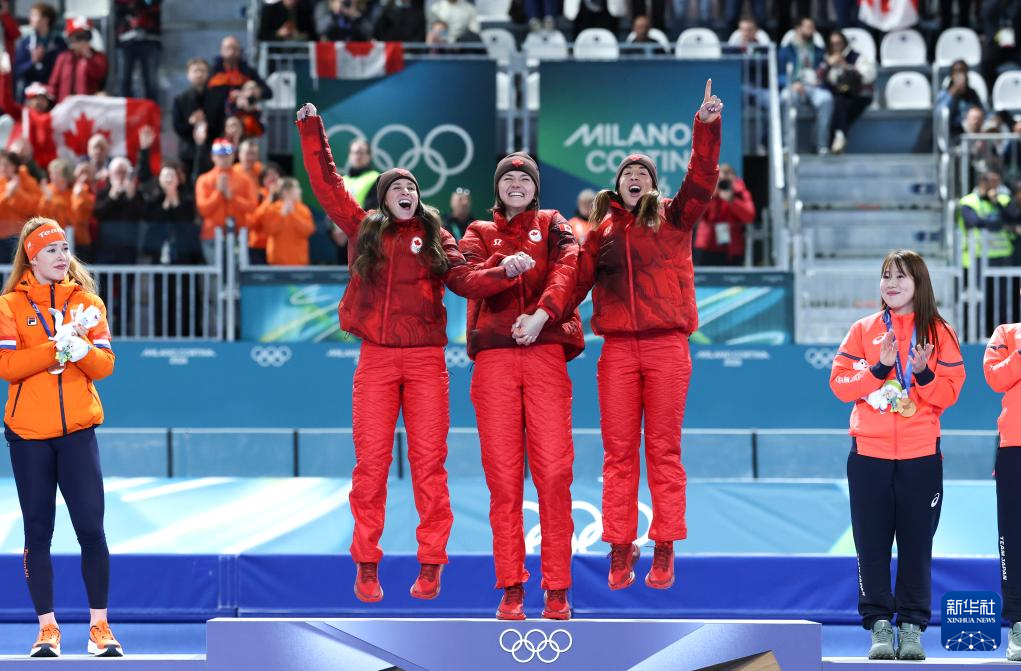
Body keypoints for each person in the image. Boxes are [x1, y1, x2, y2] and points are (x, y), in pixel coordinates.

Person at [298, 101, 520, 603]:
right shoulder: (364, 229)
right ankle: (367, 564)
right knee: (370, 467)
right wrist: (312, 130)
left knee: (429, 465)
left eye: (412, 188)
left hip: (425, 363)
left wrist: (502, 272)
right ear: (383, 199)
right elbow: (327, 184)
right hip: (376, 359)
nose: (406, 193)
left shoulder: (438, 236)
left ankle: (432, 563)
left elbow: (465, 281)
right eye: (397, 188)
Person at [571, 80, 722, 592]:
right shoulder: (601, 234)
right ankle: (619, 545)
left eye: (643, 173)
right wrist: (541, 315)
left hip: (667, 348)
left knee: (663, 451)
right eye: (626, 173)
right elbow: (573, 284)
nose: (634, 177)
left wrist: (706, 127)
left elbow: (702, 177)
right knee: (617, 454)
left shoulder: (676, 217)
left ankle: (664, 544)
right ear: (617, 187)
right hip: (616, 351)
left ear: (653, 186)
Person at [459, 153, 583, 621]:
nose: (516, 183)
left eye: (524, 178)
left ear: (535, 188)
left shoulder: (553, 223)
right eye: (508, 177)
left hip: (545, 352)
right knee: (504, 481)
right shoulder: (476, 232)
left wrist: (541, 315)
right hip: (494, 360)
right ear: (497, 187)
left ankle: (557, 589)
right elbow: (467, 279)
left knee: (554, 474)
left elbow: (568, 268)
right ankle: (511, 587)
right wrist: (502, 268)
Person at [829, 250, 965, 661]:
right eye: (886, 276)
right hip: (868, 454)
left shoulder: (939, 332)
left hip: (921, 455)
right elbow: (839, 385)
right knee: (870, 545)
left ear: (919, 283)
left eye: (901, 277)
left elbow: (949, 394)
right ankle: (879, 626)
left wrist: (923, 373)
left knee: (916, 545)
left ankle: (911, 628)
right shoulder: (864, 330)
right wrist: (878, 369)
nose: (891, 283)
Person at [0, 217, 121, 658]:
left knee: (91, 529)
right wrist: (55, 347)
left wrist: (81, 348)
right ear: (32, 257)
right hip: (29, 436)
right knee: (38, 533)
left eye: (65, 248)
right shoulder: (9, 306)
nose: (61, 256)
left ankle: (100, 628)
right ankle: (47, 630)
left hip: (77, 433)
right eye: (51, 249)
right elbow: (8, 367)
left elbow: (105, 366)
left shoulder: (88, 303)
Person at [983, 316, 1021, 662]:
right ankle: (1019, 624)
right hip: (1015, 447)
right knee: (1013, 537)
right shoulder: (1007, 334)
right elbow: (995, 378)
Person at [195, 138, 257, 264]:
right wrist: (218, 193)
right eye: (220, 155)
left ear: (233, 156)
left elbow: (252, 206)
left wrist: (232, 197)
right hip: (212, 235)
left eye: (227, 155)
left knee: (237, 272)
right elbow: (203, 209)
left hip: (238, 235)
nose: (224, 159)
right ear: (213, 157)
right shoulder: (204, 180)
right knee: (215, 273)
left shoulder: (245, 179)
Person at [779, 17, 834, 155]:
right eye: (808, 27)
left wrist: (821, 79)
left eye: (812, 27)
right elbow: (778, 75)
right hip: (793, 87)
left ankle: (821, 145)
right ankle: (787, 145)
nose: (811, 30)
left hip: (814, 87)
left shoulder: (820, 51)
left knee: (826, 99)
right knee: (785, 97)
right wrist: (792, 84)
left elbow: (825, 73)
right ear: (798, 29)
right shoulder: (786, 51)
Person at [819, 30, 875, 154]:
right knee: (838, 102)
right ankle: (839, 136)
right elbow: (819, 79)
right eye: (833, 44)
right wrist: (829, 65)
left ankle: (836, 137)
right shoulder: (827, 59)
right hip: (840, 95)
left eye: (838, 43)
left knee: (841, 106)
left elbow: (869, 76)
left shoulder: (857, 57)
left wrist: (847, 67)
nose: (836, 47)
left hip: (859, 94)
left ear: (844, 43)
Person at [693, 164, 755, 265]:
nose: (724, 182)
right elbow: (695, 215)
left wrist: (732, 200)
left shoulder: (740, 193)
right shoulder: (708, 191)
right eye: (721, 178)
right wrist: (712, 193)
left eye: (728, 177)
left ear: (735, 179)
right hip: (706, 246)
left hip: (732, 249)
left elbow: (749, 216)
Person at [38, 157, 95, 257]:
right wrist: (47, 200)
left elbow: (81, 216)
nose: (51, 176)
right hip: (55, 241)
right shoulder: (48, 192)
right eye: (51, 173)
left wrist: (79, 196)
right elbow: (42, 218)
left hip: (79, 241)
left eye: (55, 173)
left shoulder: (79, 189)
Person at [14, 3, 66, 99]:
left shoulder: (59, 43)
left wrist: (46, 57)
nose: (30, 18)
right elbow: (18, 71)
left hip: (51, 94)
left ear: (46, 19)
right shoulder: (26, 42)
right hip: (29, 95)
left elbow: (62, 70)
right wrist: (32, 61)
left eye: (34, 15)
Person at [48, 19, 108, 103]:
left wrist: (88, 56)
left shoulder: (98, 57)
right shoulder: (63, 58)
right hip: (65, 105)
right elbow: (53, 84)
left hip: (87, 105)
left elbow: (99, 76)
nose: (82, 41)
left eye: (85, 36)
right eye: (78, 37)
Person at [260, 177, 315, 266]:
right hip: (277, 262)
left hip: (299, 262)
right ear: (286, 192)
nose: (300, 191)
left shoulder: (303, 209)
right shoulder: (273, 208)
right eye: (296, 188)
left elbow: (309, 230)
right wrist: (281, 215)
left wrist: (293, 215)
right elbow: (269, 230)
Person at [113, 0, 162, 101]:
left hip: (149, 39)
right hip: (125, 40)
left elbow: (155, 5)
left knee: (151, 82)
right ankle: (125, 108)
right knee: (124, 80)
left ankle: (151, 109)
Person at [0, 151, 43, 262]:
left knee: (19, 269)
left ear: (15, 166)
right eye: (1, 165)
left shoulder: (28, 182)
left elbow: (34, 207)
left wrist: (17, 193)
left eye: (6, 165)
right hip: (1, 237)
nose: (3, 168)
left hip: (20, 236)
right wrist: (7, 195)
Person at [172, 58, 212, 171]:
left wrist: (205, 123)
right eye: (195, 71)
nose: (199, 74)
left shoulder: (216, 97)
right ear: (188, 75)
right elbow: (177, 127)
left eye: (202, 71)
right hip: (187, 151)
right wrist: (191, 123)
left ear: (208, 74)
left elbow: (220, 124)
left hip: (211, 151)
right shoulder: (180, 99)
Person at [936, 60, 984, 139]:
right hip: (953, 132)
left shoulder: (972, 93)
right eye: (957, 71)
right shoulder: (944, 93)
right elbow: (940, 114)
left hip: (972, 132)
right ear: (952, 75)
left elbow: (982, 110)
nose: (960, 74)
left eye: (963, 71)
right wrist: (952, 94)